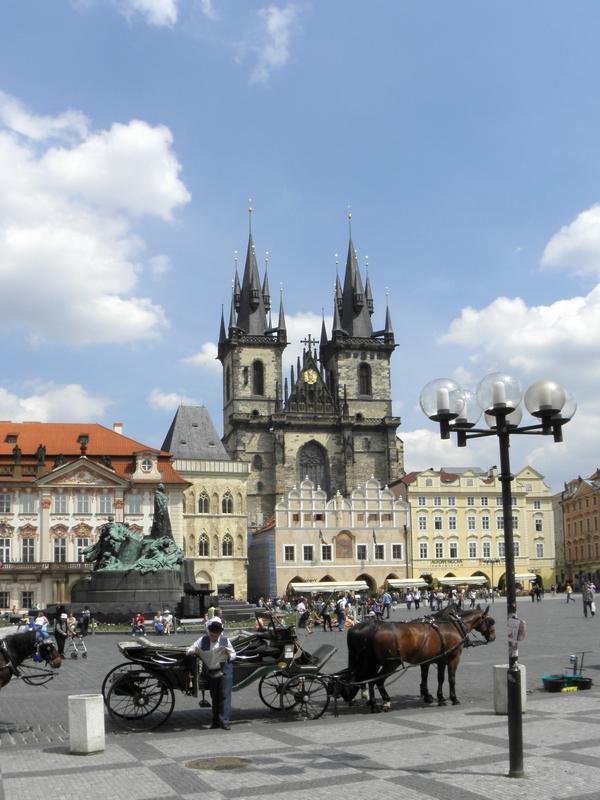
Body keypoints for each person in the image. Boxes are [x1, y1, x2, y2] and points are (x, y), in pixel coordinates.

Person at [187, 617, 236, 730]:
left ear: (220, 633)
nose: (214, 637)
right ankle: (215, 721)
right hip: (212, 670)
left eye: (216, 635)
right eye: (212, 635)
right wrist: (192, 652)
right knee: (215, 697)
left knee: (224, 696)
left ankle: (224, 721)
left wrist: (229, 654)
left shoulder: (225, 640)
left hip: (224, 670)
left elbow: (234, 654)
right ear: (209, 632)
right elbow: (189, 649)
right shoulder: (202, 640)